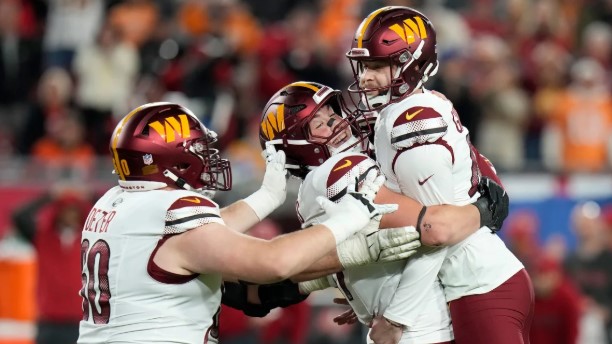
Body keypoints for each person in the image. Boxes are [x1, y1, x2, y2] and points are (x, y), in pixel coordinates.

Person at [77, 102, 410, 343]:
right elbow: (273, 263)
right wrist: (351, 220)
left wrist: (264, 199)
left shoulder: (115, 203)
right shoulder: (173, 211)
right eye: (196, 149)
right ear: (172, 159)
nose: (206, 158)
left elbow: (206, 236)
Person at [256, 81, 509, 344]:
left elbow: (353, 256)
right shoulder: (341, 171)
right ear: (295, 145)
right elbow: (432, 230)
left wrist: (361, 290)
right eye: (319, 124)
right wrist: (481, 209)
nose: (337, 123)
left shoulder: (312, 190)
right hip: (416, 328)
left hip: (409, 325)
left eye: (332, 115)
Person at [345, 6, 533, 344]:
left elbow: (435, 233)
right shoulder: (408, 110)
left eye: (377, 65)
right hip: (464, 284)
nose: (364, 78)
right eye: (363, 65)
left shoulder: (413, 123)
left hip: (478, 284)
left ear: (412, 64)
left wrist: (397, 315)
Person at [12, 185, 92, 344]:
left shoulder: (91, 239)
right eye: (66, 210)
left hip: (82, 320)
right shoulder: (42, 236)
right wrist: (50, 196)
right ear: (58, 212)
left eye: (74, 210)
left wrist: (90, 196)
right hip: (49, 321)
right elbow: (19, 216)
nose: (70, 215)